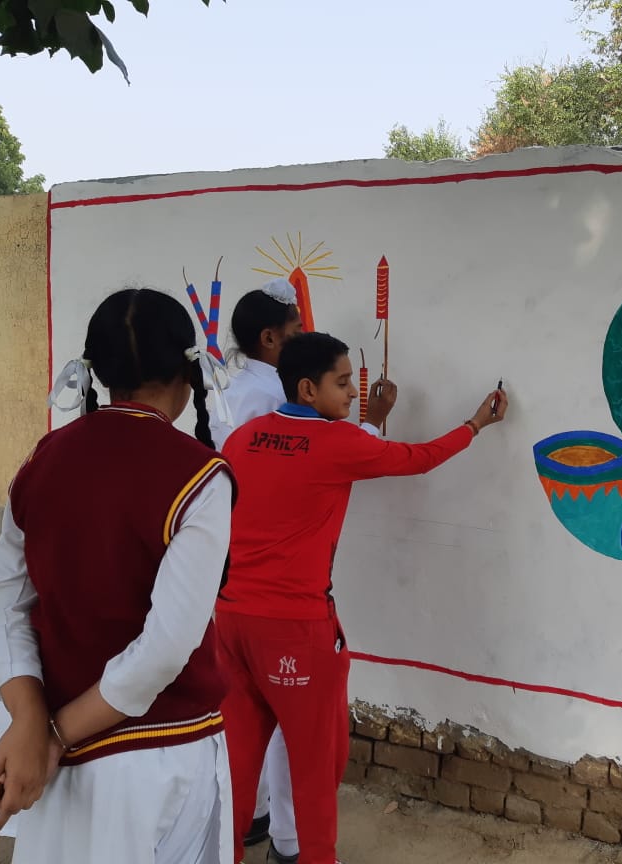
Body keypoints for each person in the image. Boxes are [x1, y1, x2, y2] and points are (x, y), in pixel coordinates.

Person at [0, 288, 236, 864]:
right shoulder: (199, 476)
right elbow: (164, 650)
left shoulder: (43, 460)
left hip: (56, 764)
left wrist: (33, 724)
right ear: (187, 374)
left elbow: (3, 606)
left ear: (95, 372)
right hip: (157, 760)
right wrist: (51, 735)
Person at [216, 332, 508, 864]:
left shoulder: (244, 439)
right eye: (344, 382)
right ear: (308, 387)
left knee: (236, 766)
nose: (355, 392)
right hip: (295, 630)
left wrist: (372, 416)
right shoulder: (337, 444)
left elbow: (323, 459)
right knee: (314, 767)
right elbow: (416, 458)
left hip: (232, 623)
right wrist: (474, 425)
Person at [212, 279, 397, 862]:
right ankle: (291, 845)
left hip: (237, 598)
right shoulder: (268, 408)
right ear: (276, 345)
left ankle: (259, 828)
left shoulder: (242, 402)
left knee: (252, 737)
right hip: (286, 609)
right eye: (296, 333)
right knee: (301, 748)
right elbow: (328, 452)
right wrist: (376, 420)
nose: (302, 338)